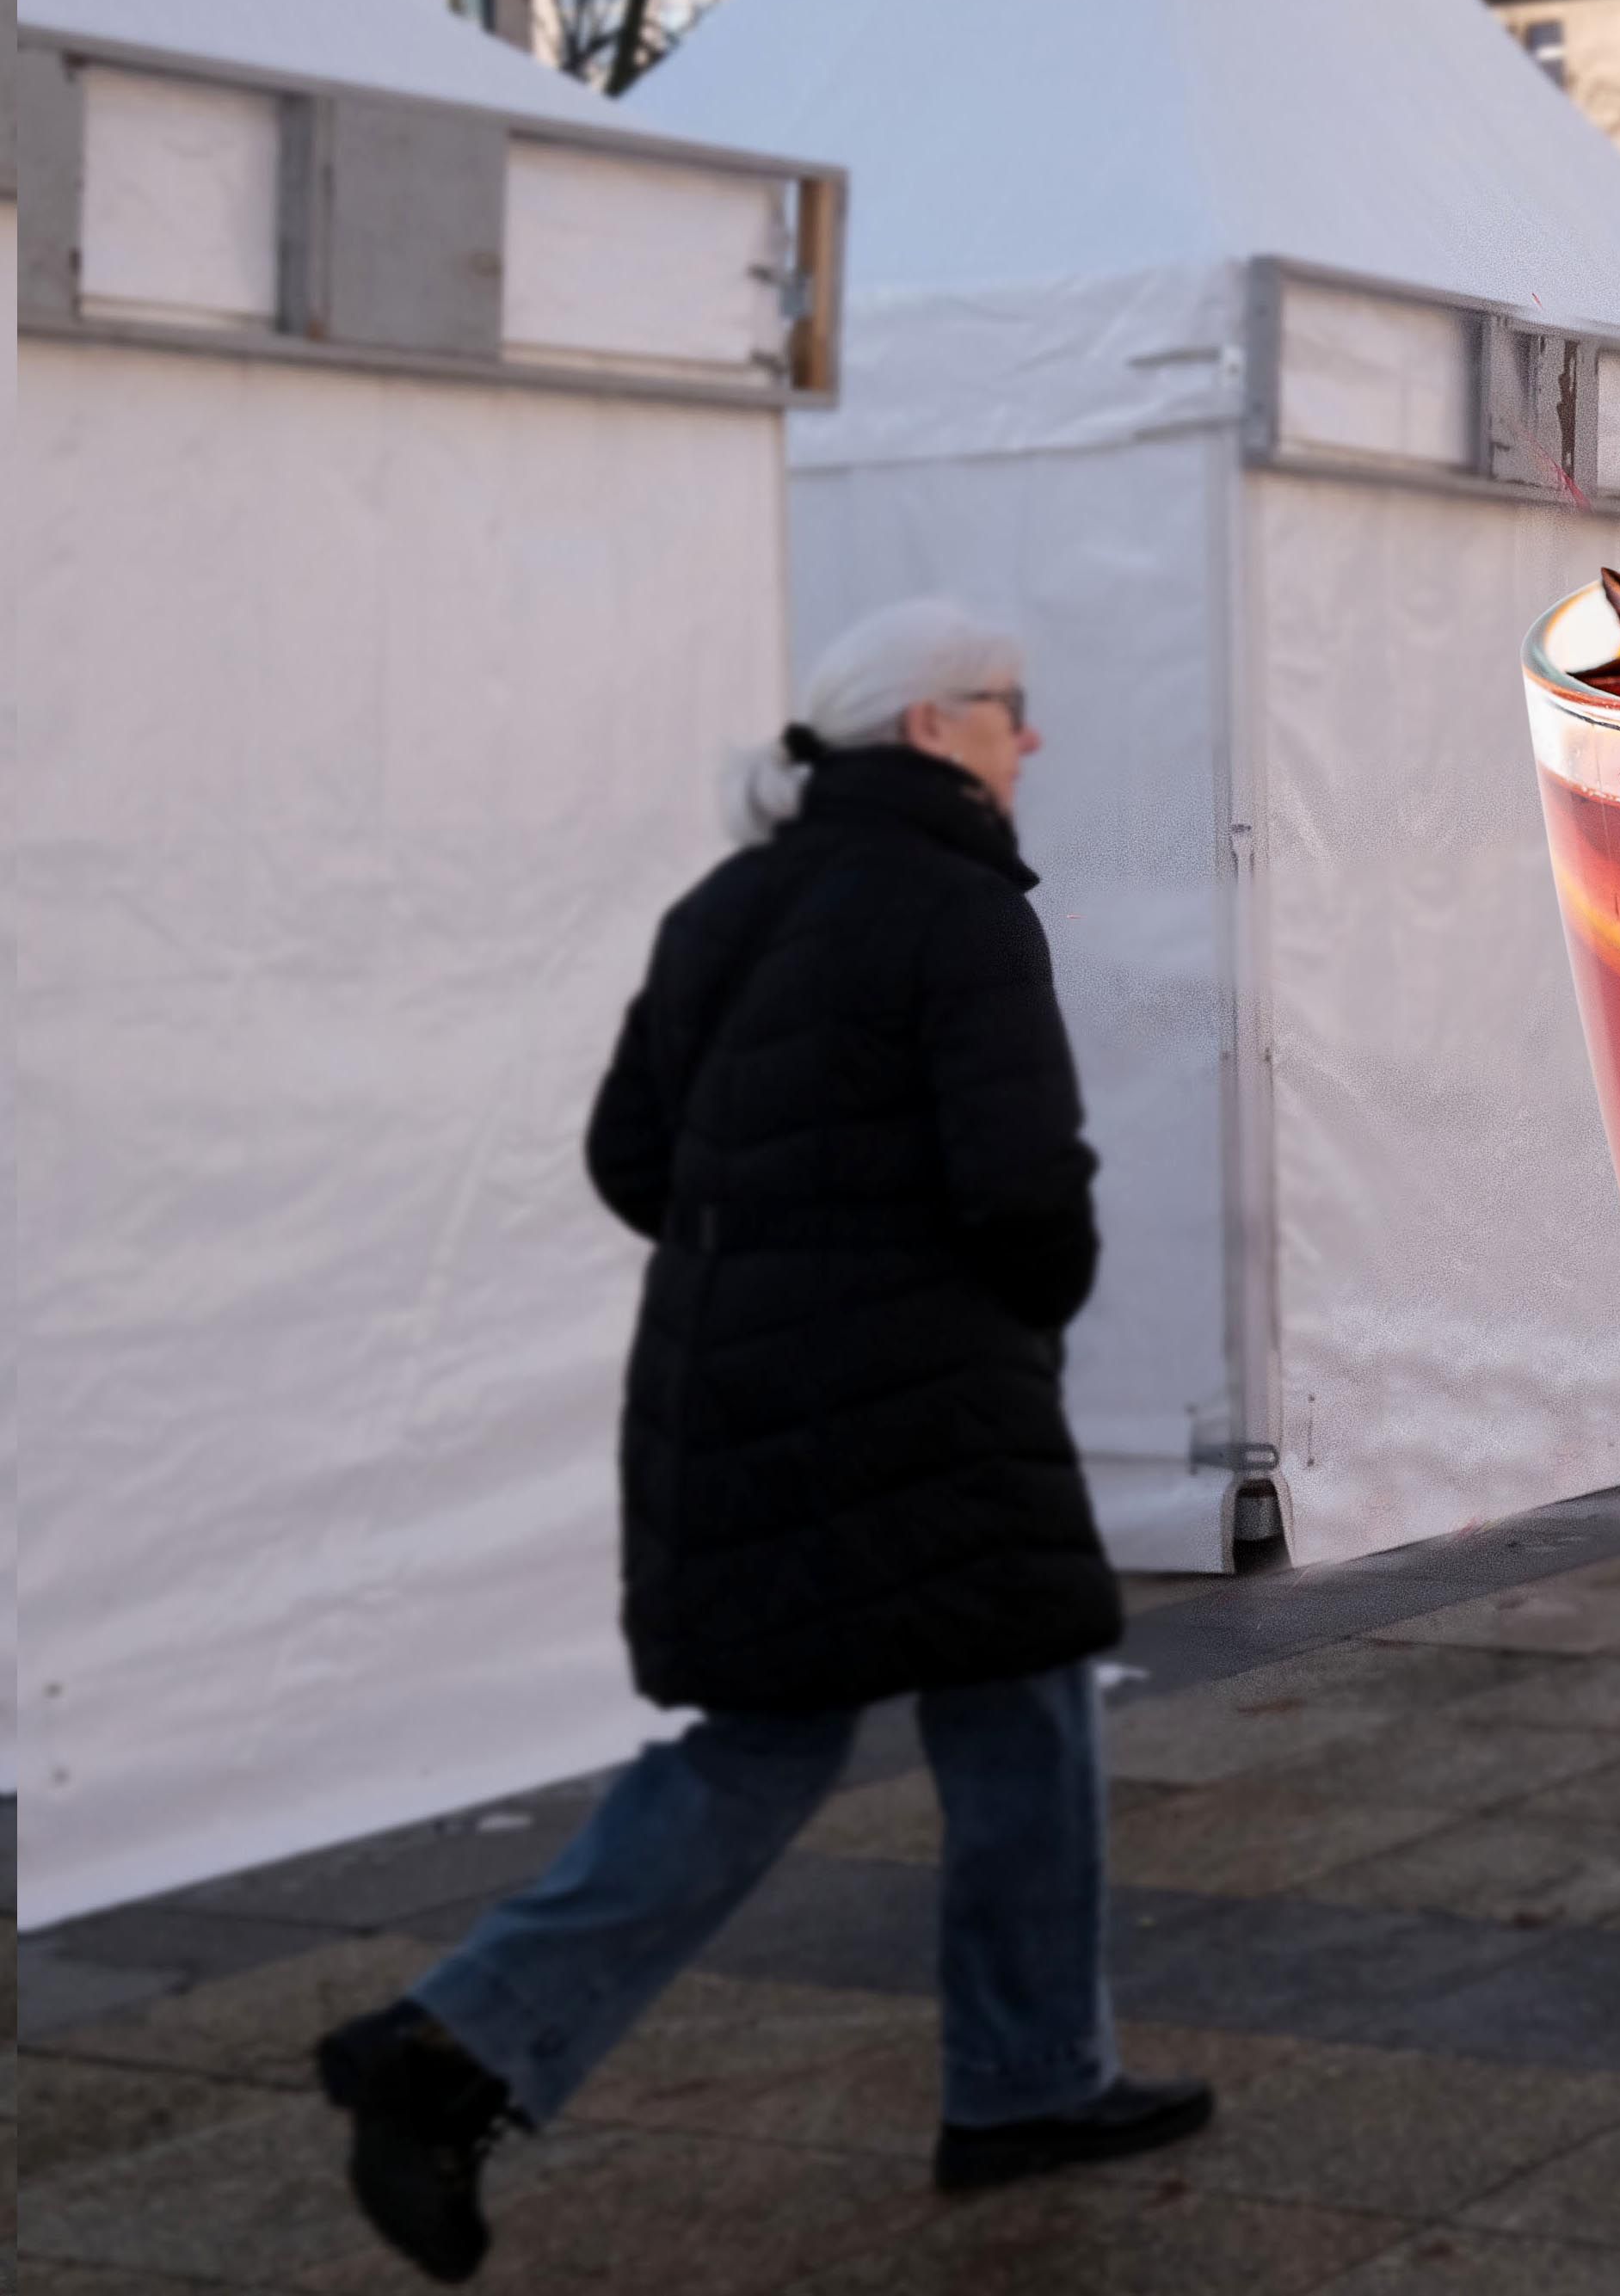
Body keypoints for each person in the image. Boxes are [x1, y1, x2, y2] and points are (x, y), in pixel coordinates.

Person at [317, 600, 1206, 2281]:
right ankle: (474, 2041)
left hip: (732, 1386)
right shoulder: (959, 902)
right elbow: (1024, 1182)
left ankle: (1009, 2075)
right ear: (933, 726)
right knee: (962, 1719)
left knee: (837, 1726)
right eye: (1011, 706)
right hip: (929, 1402)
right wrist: (1008, 1305)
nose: (1032, 736)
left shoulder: (728, 900)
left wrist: (785, 1261)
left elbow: (627, 1156)